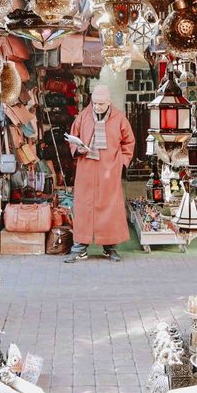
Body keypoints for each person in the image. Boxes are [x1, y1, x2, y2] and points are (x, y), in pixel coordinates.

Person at [64, 85, 135, 263]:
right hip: (86, 168)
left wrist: (121, 163)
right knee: (83, 207)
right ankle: (79, 247)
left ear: (109, 102)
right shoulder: (83, 116)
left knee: (110, 207)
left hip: (109, 169)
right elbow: (73, 137)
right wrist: (78, 148)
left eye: (101, 104)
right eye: (94, 103)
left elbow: (129, 143)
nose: (97, 107)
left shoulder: (120, 118)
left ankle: (110, 248)